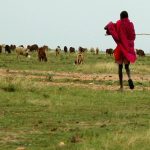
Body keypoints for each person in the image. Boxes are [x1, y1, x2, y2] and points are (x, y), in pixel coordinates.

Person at [104, 11, 137, 90]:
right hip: (127, 48)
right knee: (126, 66)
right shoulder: (131, 24)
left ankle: (121, 87)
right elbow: (133, 36)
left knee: (120, 67)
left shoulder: (118, 23)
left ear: (120, 17)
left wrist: (108, 30)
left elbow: (113, 29)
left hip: (120, 48)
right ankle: (129, 78)